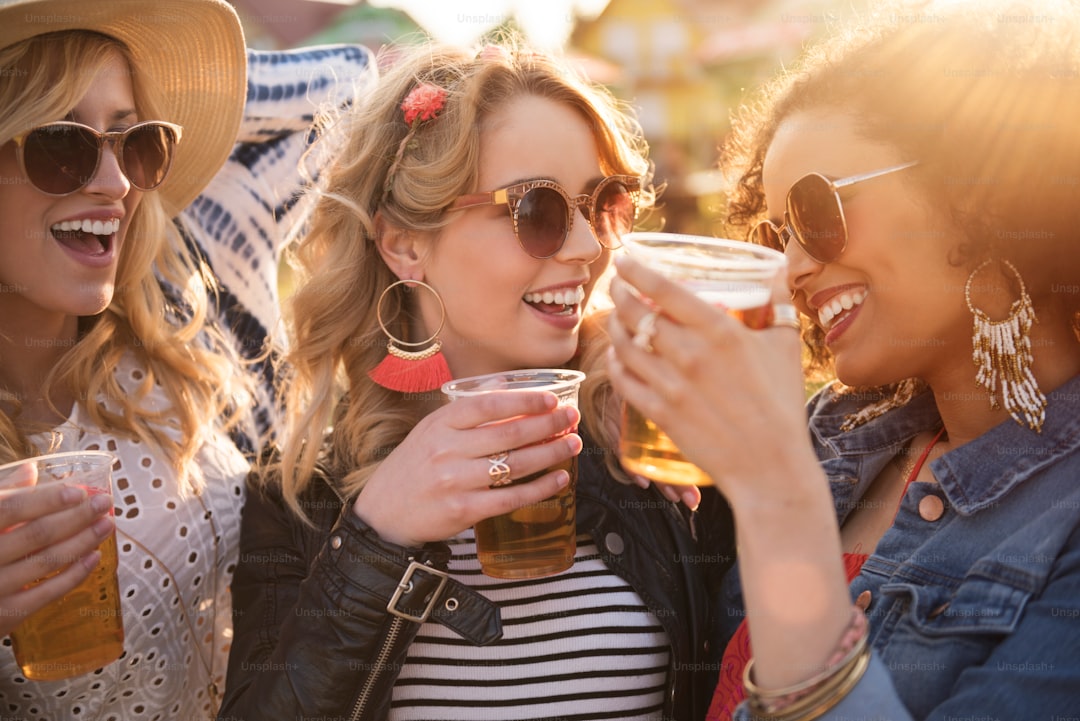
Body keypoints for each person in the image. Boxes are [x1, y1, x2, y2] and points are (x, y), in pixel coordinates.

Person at [219, 38, 735, 721]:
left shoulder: (657, 443)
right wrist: (376, 539)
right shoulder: (302, 494)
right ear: (404, 242)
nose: (587, 249)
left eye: (603, 203)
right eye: (537, 211)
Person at [607, 1, 1080, 719]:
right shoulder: (832, 432)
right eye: (776, 232)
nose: (791, 267)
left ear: (973, 185)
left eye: (817, 211)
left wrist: (776, 492)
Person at [0, 1, 374, 717]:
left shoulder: (189, 309)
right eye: (62, 145)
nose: (115, 184)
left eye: (135, 142)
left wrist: (183, 79)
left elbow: (350, 86)